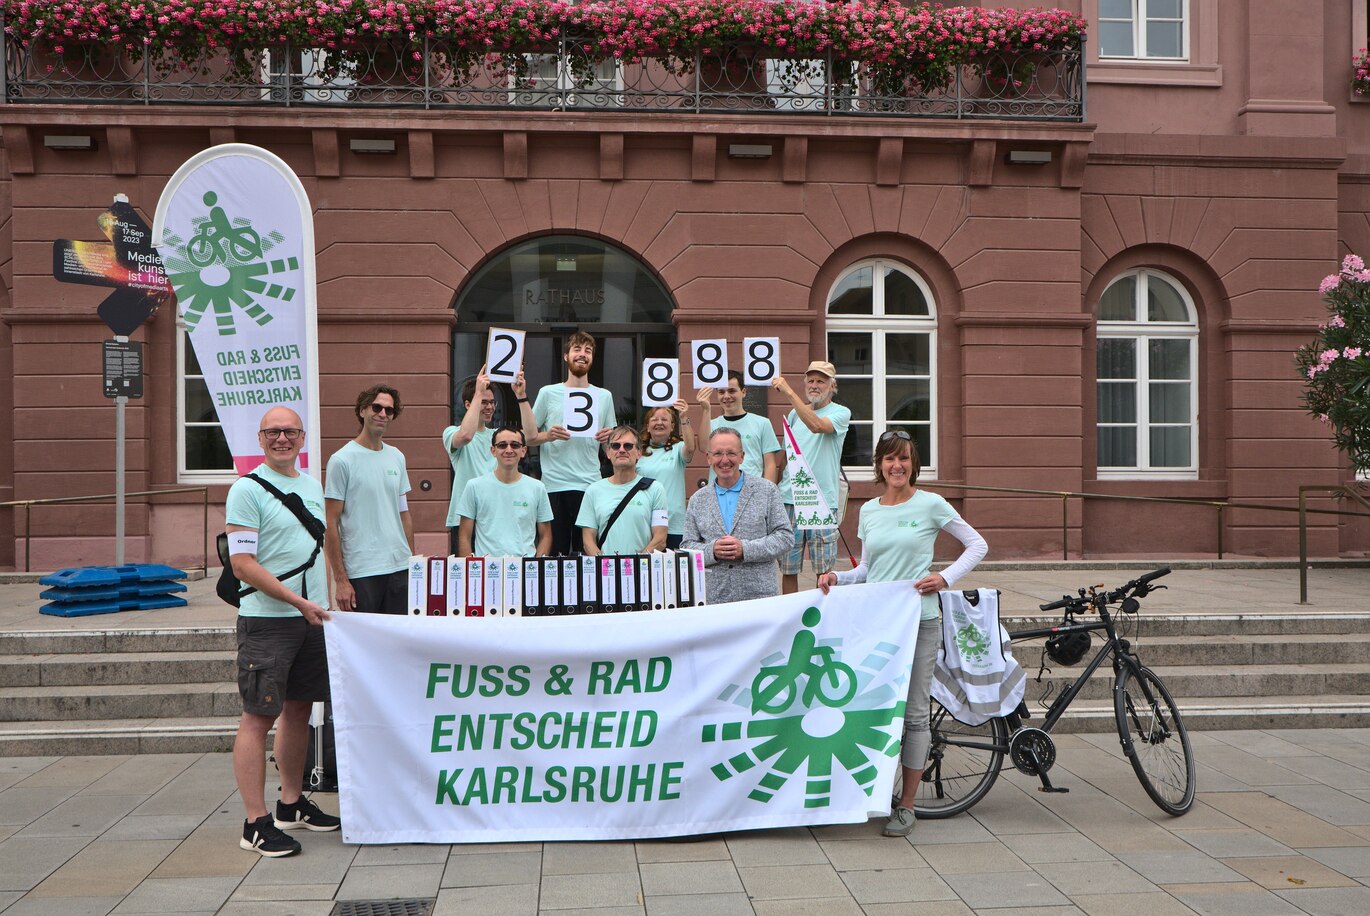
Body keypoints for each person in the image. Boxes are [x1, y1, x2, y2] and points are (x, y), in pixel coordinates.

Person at [818, 430, 987, 838]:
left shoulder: (931, 504)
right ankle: (868, 794)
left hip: (919, 620)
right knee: (871, 711)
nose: (897, 466)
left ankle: (907, 805)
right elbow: (866, 571)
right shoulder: (870, 511)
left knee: (913, 714)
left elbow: (977, 545)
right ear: (879, 464)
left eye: (905, 460)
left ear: (914, 464)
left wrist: (943, 577)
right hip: (877, 623)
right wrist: (837, 577)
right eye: (889, 459)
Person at [224, 406, 339, 858]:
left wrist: (326, 598)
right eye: (273, 432)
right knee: (258, 717)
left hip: (310, 617)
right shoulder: (245, 491)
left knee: (298, 711)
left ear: (302, 437)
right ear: (260, 438)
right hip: (268, 620)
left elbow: (319, 548)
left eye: (290, 432)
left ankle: (291, 803)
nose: (282, 439)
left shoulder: (311, 486)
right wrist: (296, 601)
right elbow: (242, 564)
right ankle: (255, 822)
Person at [521, 330, 616, 555]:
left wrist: (608, 439)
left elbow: (610, 448)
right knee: (556, 554)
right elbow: (529, 437)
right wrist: (549, 435)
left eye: (588, 351)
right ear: (566, 356)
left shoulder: (604, 396)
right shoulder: (548, 393)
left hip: (590, 485)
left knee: (588, 553)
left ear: (593, 358)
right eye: (577, 349)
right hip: (554, 486)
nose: (582, 355)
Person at [324, 384, 414, 614]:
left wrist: (412, 563)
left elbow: (404, 514)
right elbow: (330, 523)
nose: (383, 414)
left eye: (389, 410)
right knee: (365, 647)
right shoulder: (342, 460)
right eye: (376, 407)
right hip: (362, 571)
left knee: (398, 645)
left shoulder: (397, 457)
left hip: (399, 568)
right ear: (362, 410)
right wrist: (341, 580)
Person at [681, 427, 792, 603]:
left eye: (731, 453)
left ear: (742, 456)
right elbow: (686, 546)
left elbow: (785, 538)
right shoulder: (697, 499)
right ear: (708, 458)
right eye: (717, 453)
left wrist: (745, 549)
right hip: (715, 597)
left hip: (759, 597)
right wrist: (712, 550)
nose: (725, 460)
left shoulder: (767, 491)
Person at [773, 361, 851, 594]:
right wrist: (778, 486)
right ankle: (791, 619)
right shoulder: (795, 415)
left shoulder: (840, 412)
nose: (815, 386)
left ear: (832, 385)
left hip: (821, 501)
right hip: (789, 498)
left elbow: (817, 426)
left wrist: (788, 392)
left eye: (821, 381)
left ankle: (822, 621)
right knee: (788, 568)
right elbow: (787, 455)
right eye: (811, 381)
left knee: (823, 571)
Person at [456, 425, 554, 557]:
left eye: (515, 445)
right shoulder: (474, 486)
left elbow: (546, 535)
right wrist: (472, 571)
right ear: (493, 451)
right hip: (487, 570)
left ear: (524, 450)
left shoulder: (538, 488)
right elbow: (464, 536)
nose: (509, 450)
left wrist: (536, 566)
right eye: (502, 445)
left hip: (525, 569)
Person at [577, 425, 669, 556]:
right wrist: (606, 566)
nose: (621, 450)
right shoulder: (593, 491)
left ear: (639, 452)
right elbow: (588, 541)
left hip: (642, 571)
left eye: (628, 446)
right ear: (608, 453)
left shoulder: (655, 489)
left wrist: (637, 565)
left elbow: (660, 540)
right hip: (606, 572)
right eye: (615, 446)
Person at [699, 370, 781, 485]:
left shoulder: (762, 423)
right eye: (721, 392)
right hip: (719, 492)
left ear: (743, 392)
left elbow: (770, 464)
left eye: (732, 391)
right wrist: (706, 409)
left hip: (753, 491)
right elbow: (703, 447)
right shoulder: (711, 424)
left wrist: (767, 494)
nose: (726, 396)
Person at [635, 399, 698, 549]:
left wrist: (684, 418)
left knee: (672, 571)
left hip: (673, 523)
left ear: (672, 427)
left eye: (664, 419)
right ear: (648, 426)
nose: (659, 422)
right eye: (654, 419)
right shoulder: (637, 452)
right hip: (644, 520)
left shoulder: (678, 448)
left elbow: (690, 449)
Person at [442, 369, 496, 532]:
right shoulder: (451, 431)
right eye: (484, 402)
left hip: (493, 516)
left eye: (492, 402)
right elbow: (465, 436)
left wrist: (521, 395)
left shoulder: (498, 436)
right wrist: (478, 393)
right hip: (465, 518)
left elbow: (529, 437)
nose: (490, 407)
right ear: (468, 404)